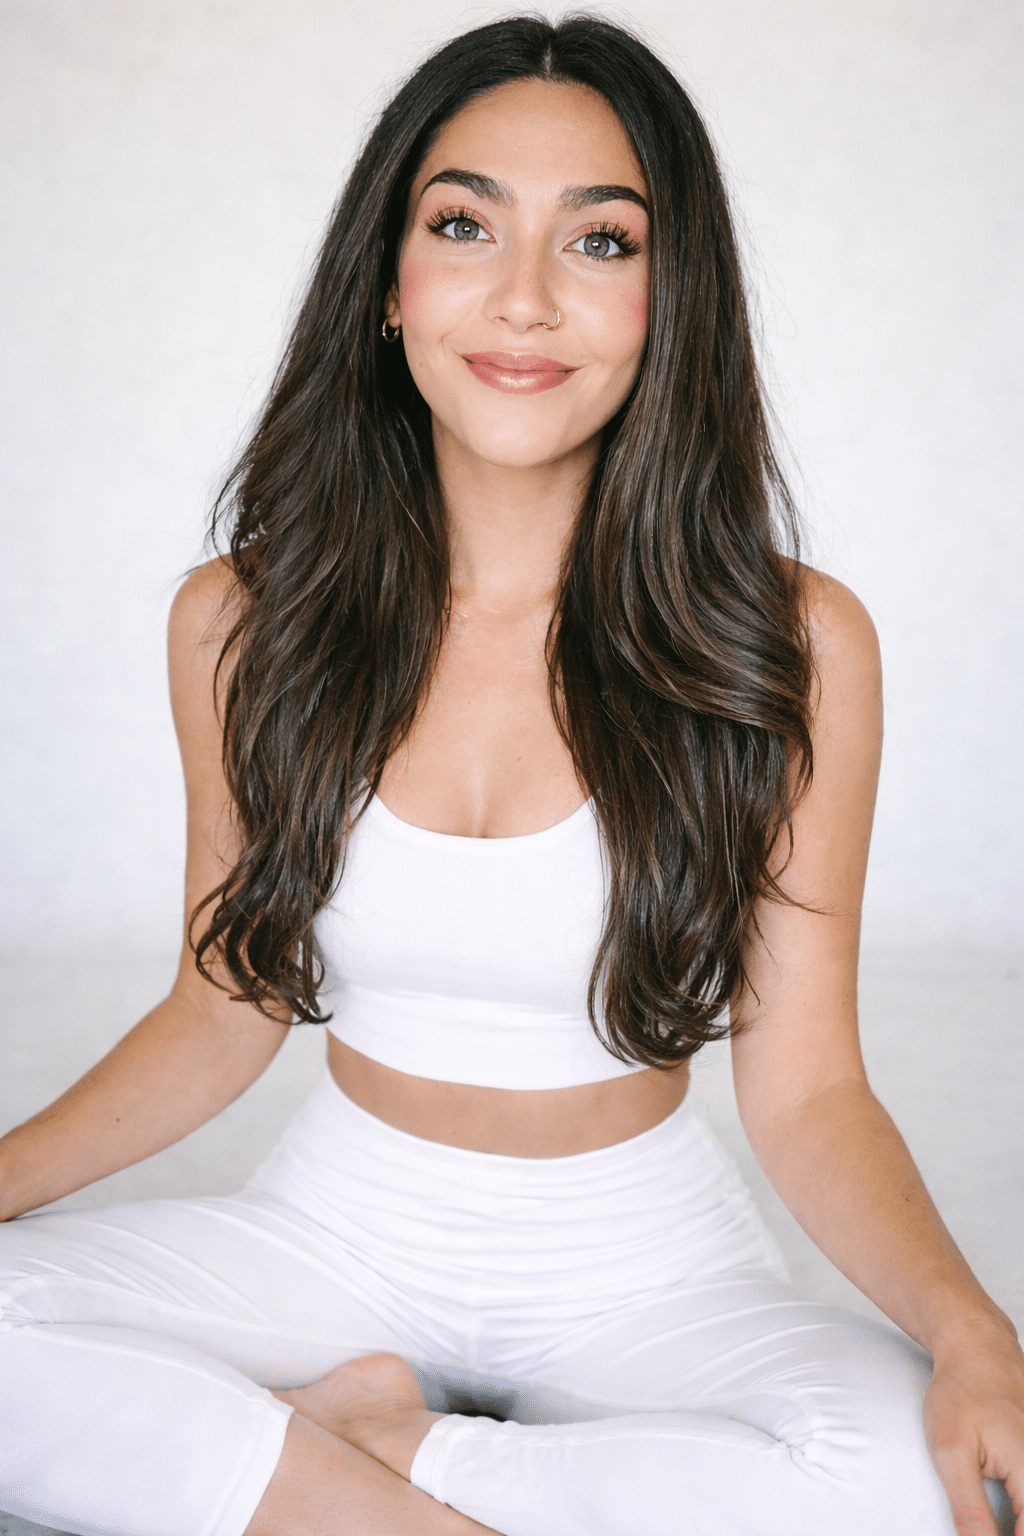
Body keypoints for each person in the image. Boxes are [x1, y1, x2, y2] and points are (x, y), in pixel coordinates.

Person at [0, 15, 1021, 1536]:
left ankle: (377, 1458)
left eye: (601, 242)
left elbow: (806, 1087)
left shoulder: (796, 643)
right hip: (334, 1228)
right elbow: (223, 1006)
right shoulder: (239, 623)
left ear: (670, 304)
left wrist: (972, 1335)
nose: (526, 299)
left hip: (645, 1266)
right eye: (465, 223)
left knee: (927, 1487)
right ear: (388, 287)